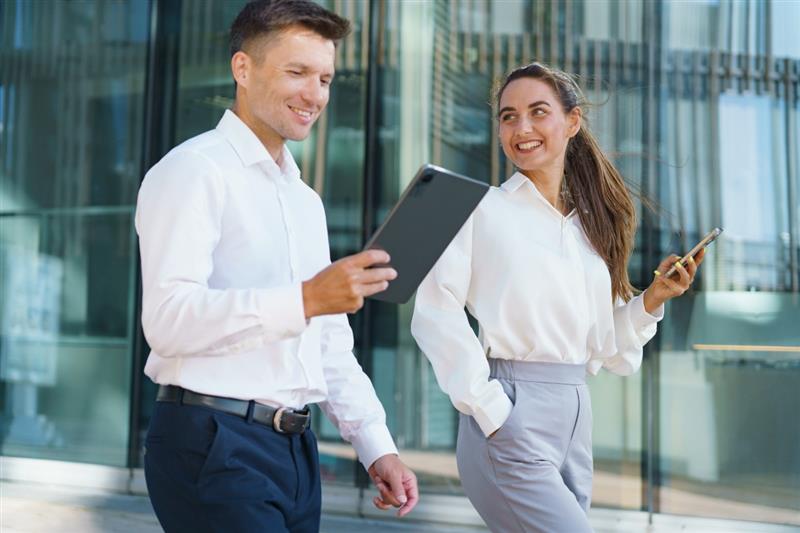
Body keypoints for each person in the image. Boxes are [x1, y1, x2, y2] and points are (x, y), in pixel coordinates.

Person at [135, 1, 418, 531]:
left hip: (294, 452)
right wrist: (306, 299)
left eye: (326, 78)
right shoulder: (192, 171)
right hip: (212, 440)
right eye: (297, 73)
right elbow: (168, 321)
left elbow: (330, 343)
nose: (315, 95)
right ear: (243, 69)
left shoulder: (305, 200)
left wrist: (377, 447)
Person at [410, 62, 703, 533]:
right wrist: (489, 408)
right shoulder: (480, 210)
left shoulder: (588, 227)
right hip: (508, 411)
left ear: (572, 122)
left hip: (574, 413)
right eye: (508, 116)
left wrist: (652, 298)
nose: (521, 128)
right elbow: (434, 311)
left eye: (537, 112)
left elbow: (606, 347)